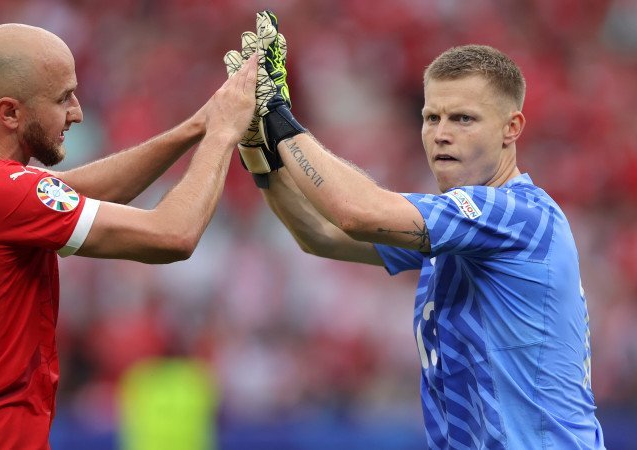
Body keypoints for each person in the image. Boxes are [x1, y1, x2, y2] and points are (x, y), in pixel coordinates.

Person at [232, 11, 605, 449]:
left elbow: (355, 212)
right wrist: (258, 149)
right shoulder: (460, 230)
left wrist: (278, 116)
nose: (441, 134)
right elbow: (319, 234)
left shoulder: (515, 215)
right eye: (432, 118)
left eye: (463, 119)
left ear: (511, 128)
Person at [0, 23, 257, 449]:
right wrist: (223, 134)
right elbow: (174, 234)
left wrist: (197, 125)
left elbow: (68, 192)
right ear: (10, 113)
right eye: (62, 98)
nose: (77, 112)